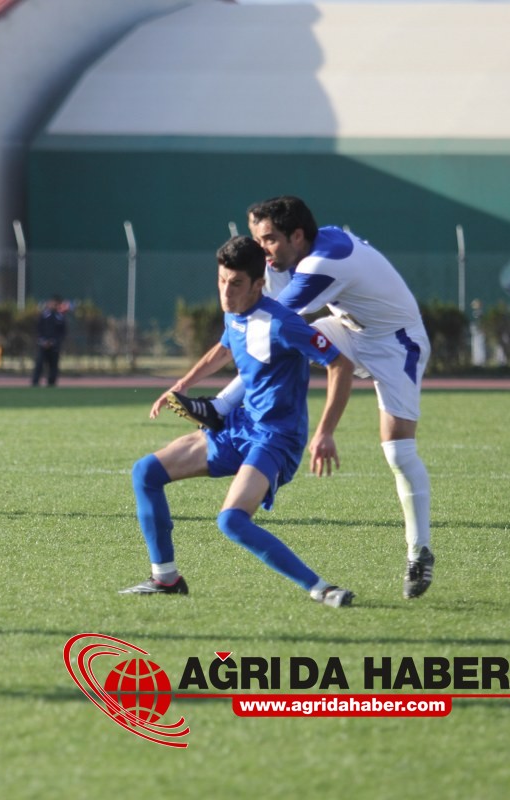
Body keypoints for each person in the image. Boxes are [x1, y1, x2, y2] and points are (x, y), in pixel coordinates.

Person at [168, 196, 435, 599]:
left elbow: (262, 322)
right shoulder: (308, 245)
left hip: (397, 344)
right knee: (286, 343)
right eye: (258, 240)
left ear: (296, 236)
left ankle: (419, 551)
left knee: (399, 452)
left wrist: (325, 432)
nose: (263, 250)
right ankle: (220, 406)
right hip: (349, 329)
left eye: (269, 240)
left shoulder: (319, 265)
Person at [122, 236, 356, 607]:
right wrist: (182, 385)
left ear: (258, 284)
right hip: (237, 426)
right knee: (145, 472)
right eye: (221, 281)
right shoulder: (234, 313)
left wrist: (326, 431)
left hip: (276, 437)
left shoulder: (284, 324)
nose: (225, 292)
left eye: (235, 284)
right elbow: (225, 347)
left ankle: (322, 589)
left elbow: (340, 364)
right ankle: (165, 578)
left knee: (231, 521)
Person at [31, 296, 67, 386]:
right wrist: (42, 341)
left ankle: (51, 382)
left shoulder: (60, 317)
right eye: (52, 303)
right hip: (43, 344)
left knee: (53, 364)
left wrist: (53, 341)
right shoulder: (43, 316)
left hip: (54, 345)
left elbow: (62, 332)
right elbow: (38, 329)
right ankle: (35, 381)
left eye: (55, 304)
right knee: (39, 363)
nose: (53, 305)